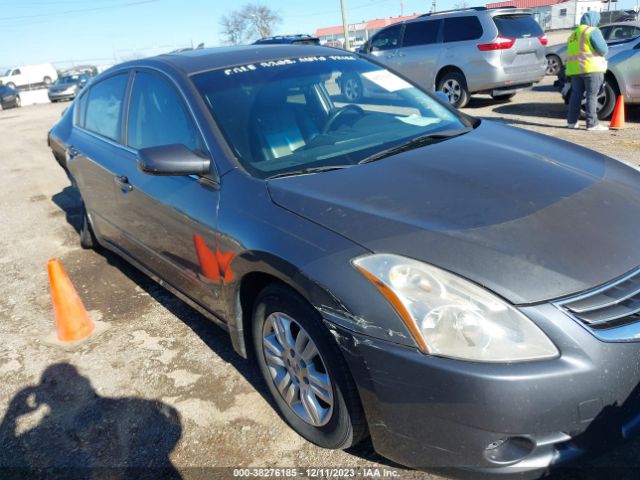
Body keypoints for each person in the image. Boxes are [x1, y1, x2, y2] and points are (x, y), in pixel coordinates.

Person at [565, 11, 609, 131]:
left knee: (576, 96)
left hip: (575, 70)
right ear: (593, 20)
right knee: (592, 96)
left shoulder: (574, 33)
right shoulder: (592, 31)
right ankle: (592, 124)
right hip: (591, 68)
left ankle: (572, 122)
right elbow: (603, 49)